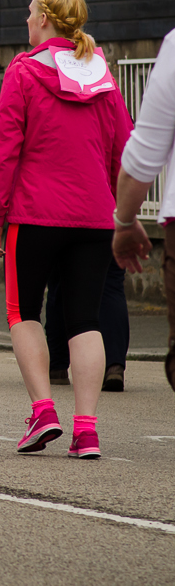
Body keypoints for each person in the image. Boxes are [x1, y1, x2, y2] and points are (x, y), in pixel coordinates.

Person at [0, 0, 130, 459]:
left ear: (45, 19)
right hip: (94, 216)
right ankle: (86, 430)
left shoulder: (24, 71)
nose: (26, 21)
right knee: (85, 320)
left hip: (34, 213)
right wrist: (115, 205)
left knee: (23, 312)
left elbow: (5, 148)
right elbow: (121, 149)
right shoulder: (101, 74)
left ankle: (44, 409)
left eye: (30, 13)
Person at [111, 27, 175, 394]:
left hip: (43, 212)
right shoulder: (101, 74)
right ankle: (114, 365)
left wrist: (123, 220)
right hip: (91, 205)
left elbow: (143, 152)